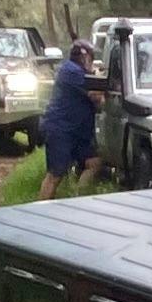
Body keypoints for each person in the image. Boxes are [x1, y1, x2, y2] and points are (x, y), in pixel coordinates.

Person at [39, 38, 100, 194]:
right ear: (85, 57)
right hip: (61, 130)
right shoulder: (72, 72)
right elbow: (96, 96)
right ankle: (41, 207)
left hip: (76, 131)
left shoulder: (73, 70)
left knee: (93, 163)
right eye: (90, 58)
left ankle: (78, 197)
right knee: (55, 174)